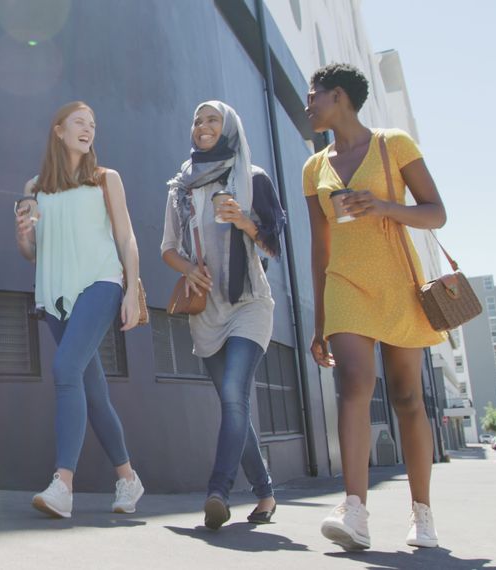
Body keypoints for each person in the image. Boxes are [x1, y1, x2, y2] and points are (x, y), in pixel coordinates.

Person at [302, 63, 447, 550]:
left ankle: (421, 514)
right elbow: (319, 246)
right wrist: (320, 320)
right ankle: (355, 509)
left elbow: (436, 212)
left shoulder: (393, 144)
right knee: (354, 385)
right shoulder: (313, 167)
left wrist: (384, 206)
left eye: (313, 96)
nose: (308, 105)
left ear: (339, 96)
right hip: (345, 284)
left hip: (398, 282)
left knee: (408, 398)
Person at [14, 101, 144, 519]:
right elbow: (33, 253)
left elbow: (126, 238)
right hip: (55, 295)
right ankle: (127, 477)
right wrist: (22, 237)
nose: (88, 129)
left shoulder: (107, 179)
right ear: (58, 130)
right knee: (93, 392)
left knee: (65, 370)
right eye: (79, 122)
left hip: (101, 284)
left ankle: (62, 485)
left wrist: (129, 290)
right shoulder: (35, 188)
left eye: (92, 124)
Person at [161, 100, 286, 530]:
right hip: (207, 311)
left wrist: (246, 222)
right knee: (235, 407)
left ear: (229, 126)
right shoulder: (181, 185)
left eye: (212, 119)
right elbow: (168, 249)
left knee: (235, 395)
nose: (203, 125)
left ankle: (217, 491)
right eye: (197, 120)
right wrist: (189, 268)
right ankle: (266, 494)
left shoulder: (251, 178)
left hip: (249, 304)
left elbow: (274, 245)